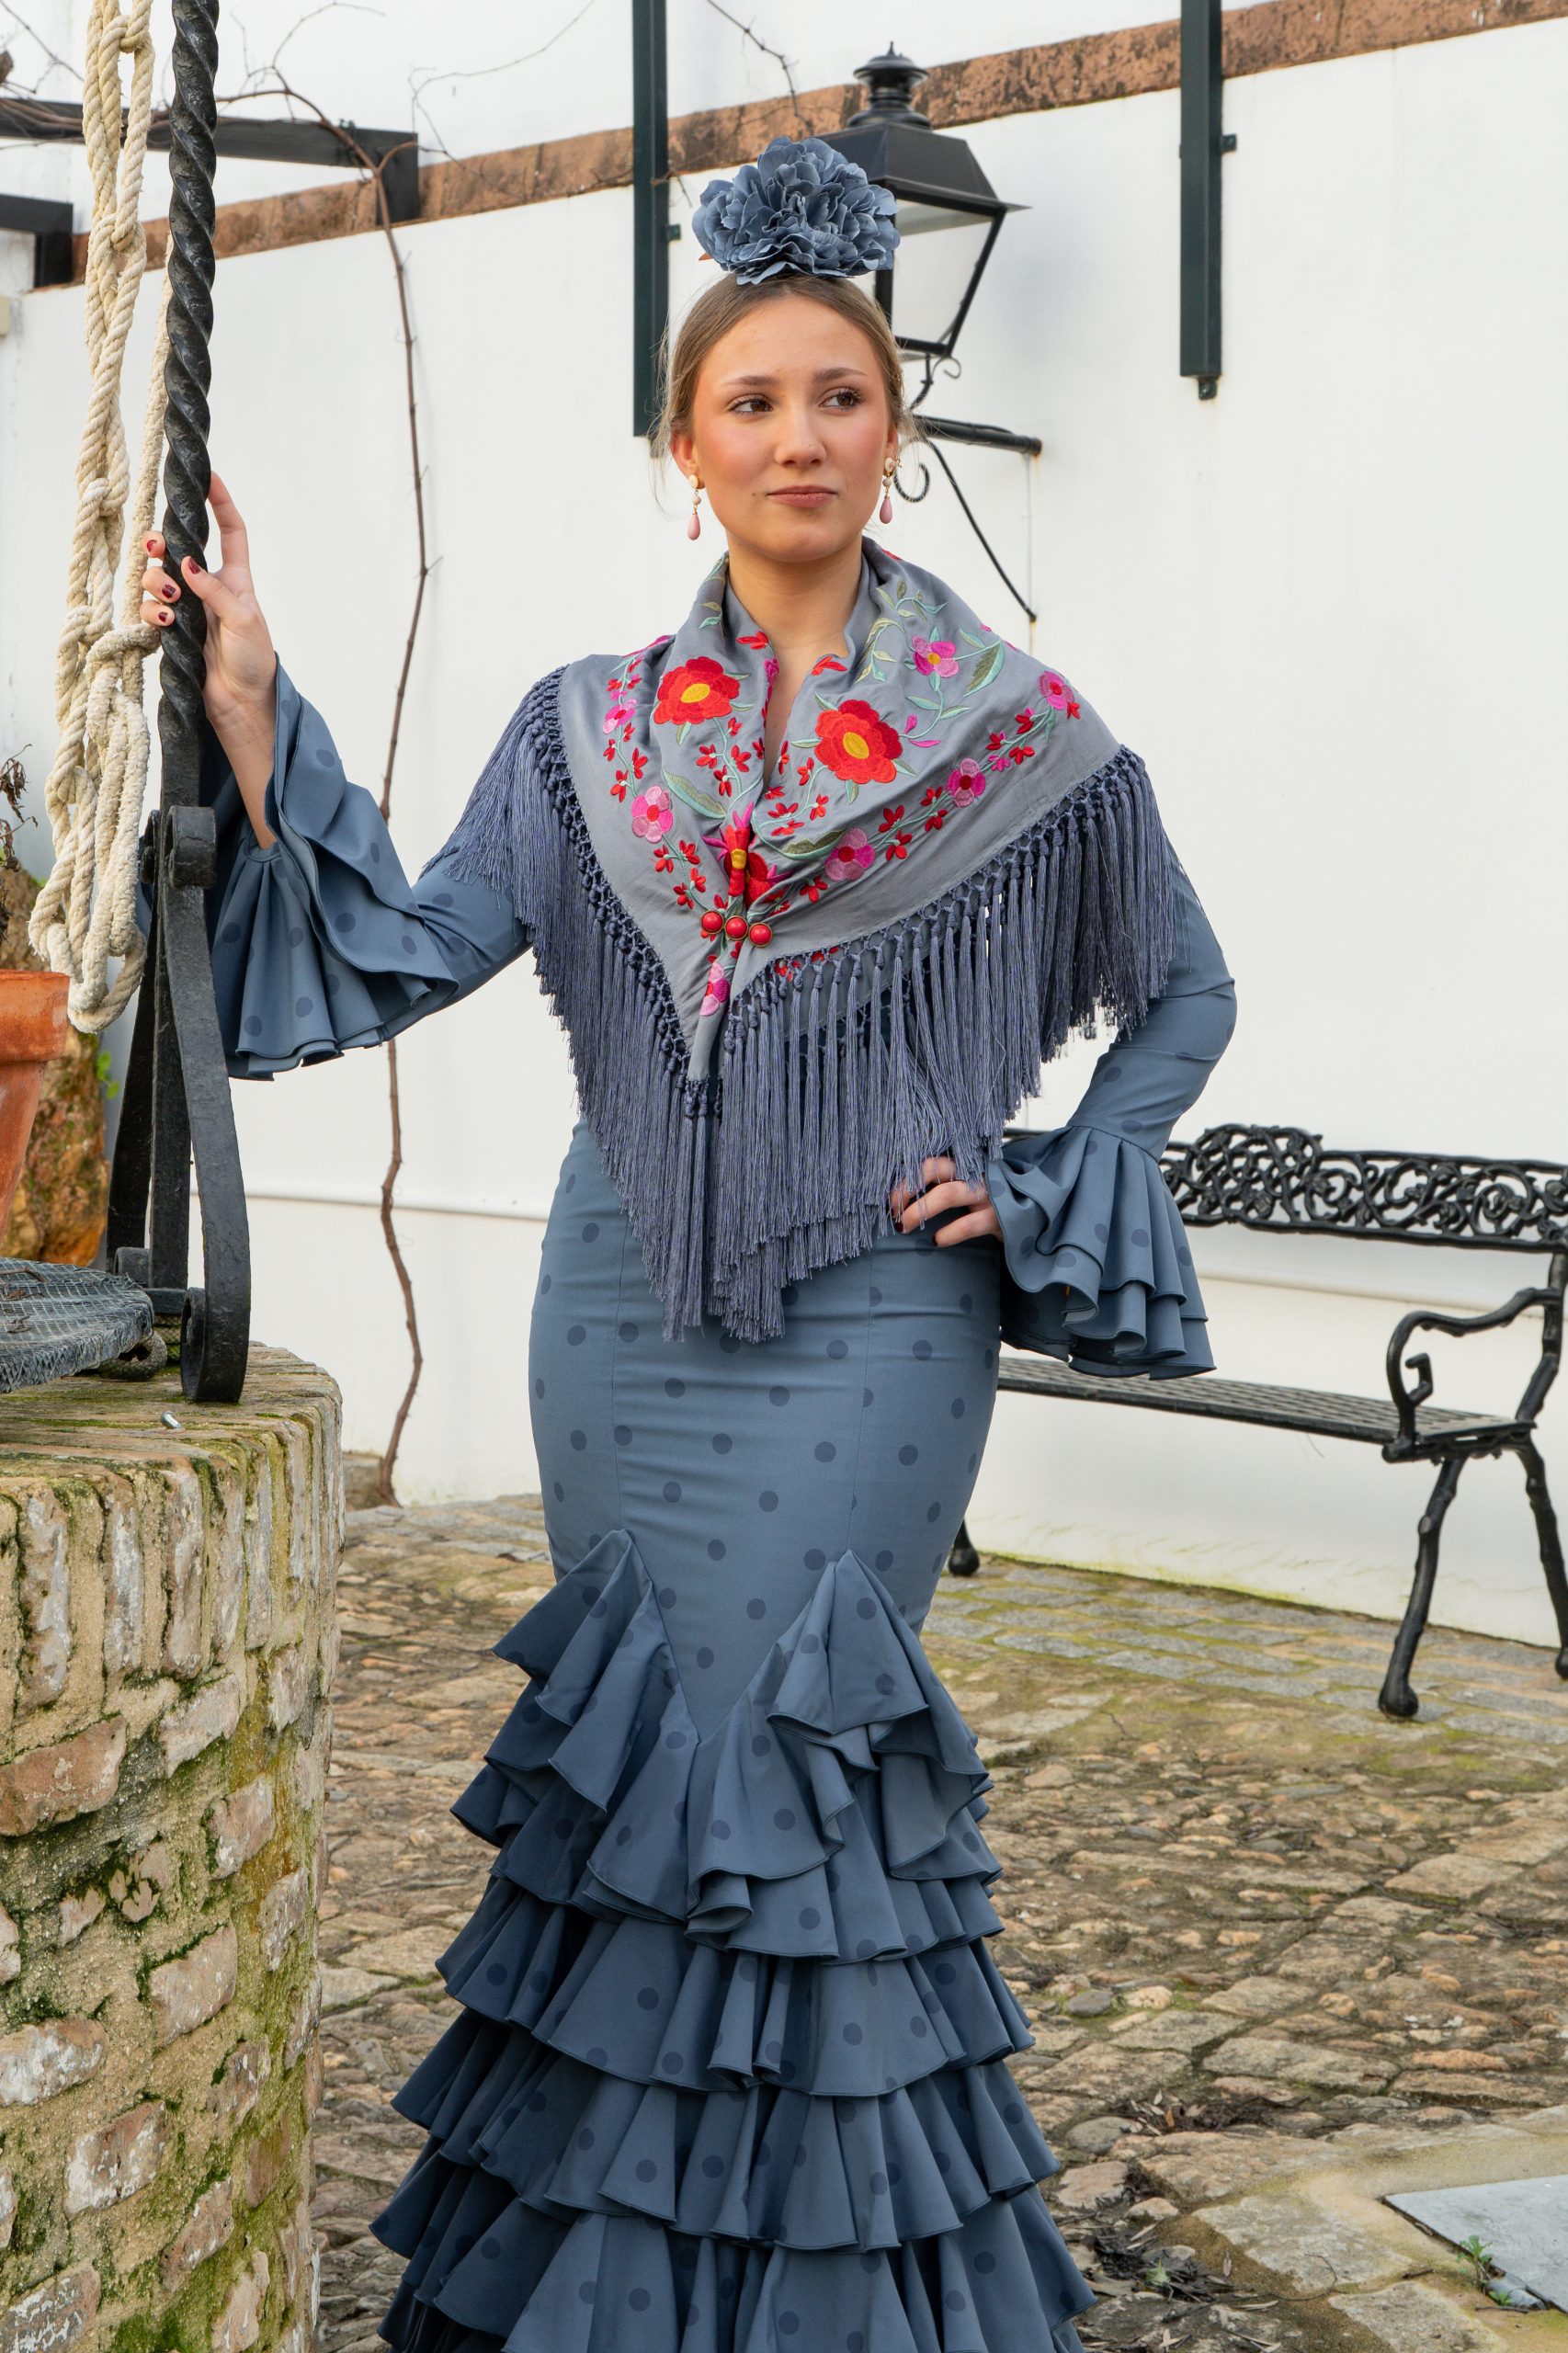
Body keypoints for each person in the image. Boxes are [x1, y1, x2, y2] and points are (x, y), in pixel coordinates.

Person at [141, 135, 1234, 2353]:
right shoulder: (583, 729)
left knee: (802, 1768)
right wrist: (255, 705)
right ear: (686, 447)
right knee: (637, 1762)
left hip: (878, 1324)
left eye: (838, 396)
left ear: (894, 432)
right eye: (752, 401)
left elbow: (1183, 992)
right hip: (618, 1310)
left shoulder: (1019, 733)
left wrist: (1040, 1183)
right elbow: (414, 942)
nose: (797, 435)